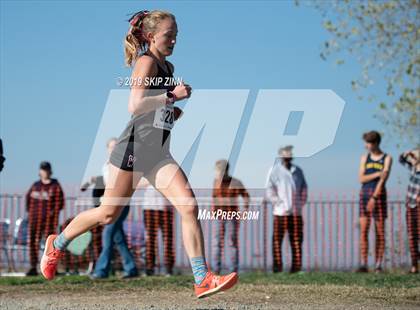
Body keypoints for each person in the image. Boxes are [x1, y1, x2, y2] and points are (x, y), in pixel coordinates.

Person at [39, 10, 237, 298]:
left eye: (176, 36)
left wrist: (171, 113)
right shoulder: (146, 63)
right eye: (169, 36)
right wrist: (172, 97)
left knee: (189, 206)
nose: (174, 41)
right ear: (150, 36)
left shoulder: (168, 68)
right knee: (107, 214)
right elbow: (135, 104)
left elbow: (153, 110)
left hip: (158, 154)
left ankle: (201, 278)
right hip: (132, 151)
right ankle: (56, 245)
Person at [90, 138, 138, 279]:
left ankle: (101, 270)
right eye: (112, 146)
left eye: (117, 146)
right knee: (119, 239)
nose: (114, 149)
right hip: (110, 204)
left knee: (107, 234)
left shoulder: (124, 164)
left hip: (121, 205)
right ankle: (131, 268)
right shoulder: (106, 166)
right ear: (107, 149)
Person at [264, 145, 308, 273]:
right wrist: (278, 203)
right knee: (277, 240)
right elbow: (269, 189)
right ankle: (277, 268)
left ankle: (296, 268)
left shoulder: (298, 171)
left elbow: (304, 188)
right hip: (280, 213)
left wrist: (300, 203)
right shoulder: (274, 170)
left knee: (297, 240)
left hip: (296, 212)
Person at [357, 131, 392, 273]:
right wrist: (378, 173)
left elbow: (384, 179)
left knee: (379, 232)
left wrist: (375, 197)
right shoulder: (365, 158)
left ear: (376, 143)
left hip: (379, 196)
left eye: (368, 143)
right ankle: (364, 263)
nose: (366, 146)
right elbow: (361, 178)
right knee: (364, 230)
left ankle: (378, 265)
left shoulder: (387, 158)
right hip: (364, 195)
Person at [25, 161, 64, 276]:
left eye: (46, 169)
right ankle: (33, 267)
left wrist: (52, 213)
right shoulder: (35, 185)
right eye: (42, 169)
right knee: (33, 242)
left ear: (50, 171)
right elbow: (28, 200)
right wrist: (32, 213)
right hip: (34, 220)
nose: (44, 172)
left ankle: (52, 268)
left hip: (49, 222)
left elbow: (60, 202)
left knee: (51, 244)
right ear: (39, 171)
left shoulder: (55, 185)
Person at [211, 159, 249, 274]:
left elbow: (246, 196)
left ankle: (233, 270)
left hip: (232, 216)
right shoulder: (215, 182)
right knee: (216, 242)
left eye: (219, 171)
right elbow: (214, 197)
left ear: (225, 170)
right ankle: (216, 269)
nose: (217, 174)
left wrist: (245, 210)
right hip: (218, 217)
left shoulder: (236, 182)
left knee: (232, 242)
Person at [142, 181, 175, 276]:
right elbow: (137, 182)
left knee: (168, 240)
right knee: (150, 240)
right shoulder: (144, 170)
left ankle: (169, 269)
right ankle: (149, 268)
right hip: (149, 208)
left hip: (166, 209)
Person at [399, 148, 420, 274]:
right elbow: (401, 159)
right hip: (410, 205)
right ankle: (414, 266)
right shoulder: (413, 167)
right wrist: (407, 153)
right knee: (412, 236)